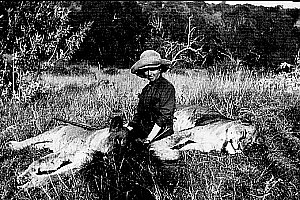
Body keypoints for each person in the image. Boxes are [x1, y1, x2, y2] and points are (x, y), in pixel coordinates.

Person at [126, 50, 176, 145]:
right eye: (146, 70)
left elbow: (164, 117)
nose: (149, 73)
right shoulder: (145, 90)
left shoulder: (167, 88)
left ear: (160, 69)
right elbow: (139, 114)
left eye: (153, 69)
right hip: (144, 129)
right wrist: (129, 128)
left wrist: (149, 139)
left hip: (161, 132)